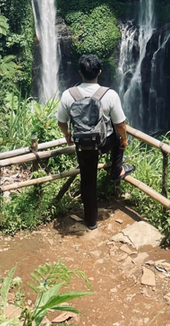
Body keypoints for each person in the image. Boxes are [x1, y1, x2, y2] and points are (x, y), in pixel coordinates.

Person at [57, 53, 135, 230]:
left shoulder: (68, 95)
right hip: (104, 142)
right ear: (99, 72)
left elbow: (61, 122)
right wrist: (124, 139)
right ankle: (116, 171)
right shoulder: (110, 95)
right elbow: (120, 124)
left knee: (88, 180)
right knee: (117, 137)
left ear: (80, 73)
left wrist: (67, 135)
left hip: (83, 145)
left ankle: (91, 223)